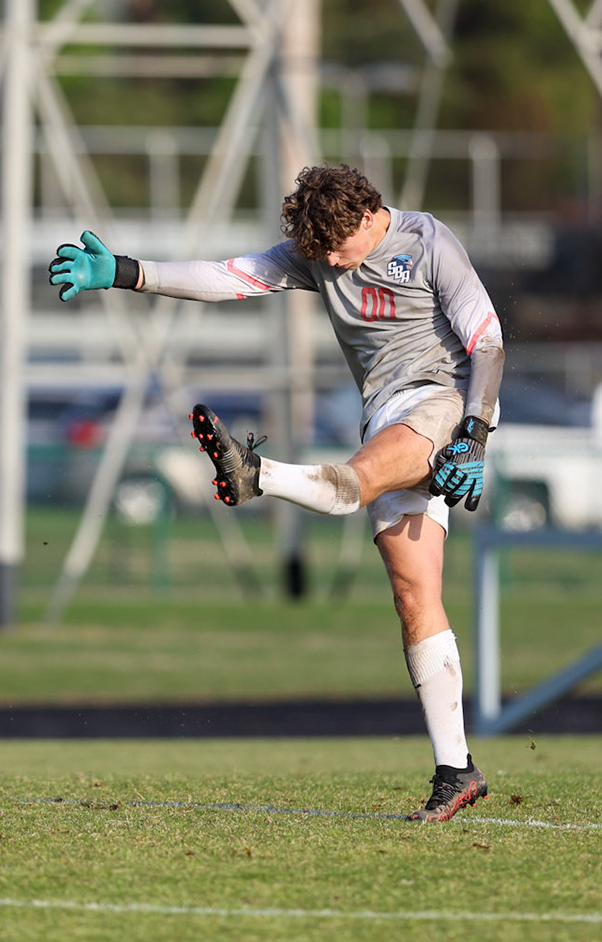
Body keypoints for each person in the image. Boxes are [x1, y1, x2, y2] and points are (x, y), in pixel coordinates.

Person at [51, 164, 503, 822]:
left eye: (334, 250)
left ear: (369, 218)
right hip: (384, 414)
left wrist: (476, 434)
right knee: (414, 596)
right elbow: (227, 277)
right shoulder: (319, 253)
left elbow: (487, 344)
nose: (328, 266)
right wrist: (126, 271)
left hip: (442, 402)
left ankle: (255, 474)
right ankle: (456, 769)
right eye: (316, 255)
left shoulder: (429, 242)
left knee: (353, 484)